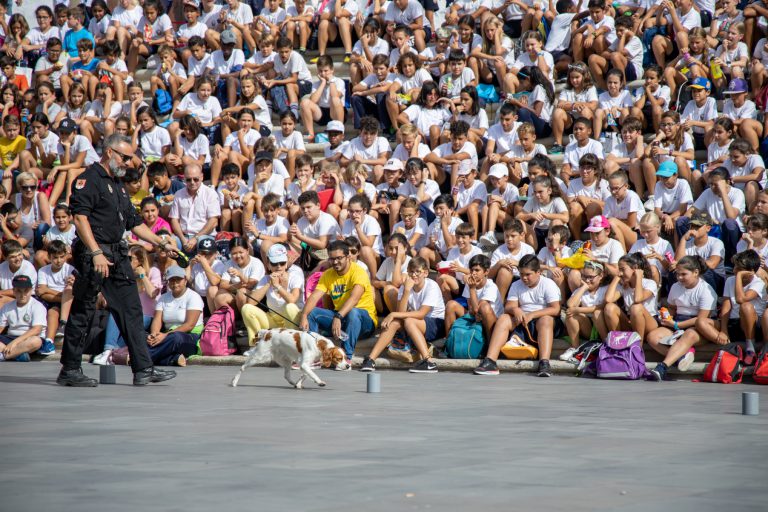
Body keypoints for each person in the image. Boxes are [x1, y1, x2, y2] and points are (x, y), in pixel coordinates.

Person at [57, 134, 179, 387]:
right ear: (110, 152)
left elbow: (134, 223)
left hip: (117, 253)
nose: (128, 163)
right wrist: (95, 252)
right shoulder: (88, 179)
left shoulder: (117, 183)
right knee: (84, 310)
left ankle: (143, 368)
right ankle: (70, 369)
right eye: (124, 157)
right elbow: (80, 219)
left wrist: (161, 242)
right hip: (95, 255)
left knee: (131, 309)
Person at [300, 240, 378, 363]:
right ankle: (314, 356)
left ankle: (346, 357)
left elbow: (354, 299)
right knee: (312, 312)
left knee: (353, 312)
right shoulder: (328, 274)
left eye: (339, 258)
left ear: (348, 257)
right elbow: (315, 296)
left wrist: (338, 316)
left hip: (364, 322)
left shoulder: (359, 272)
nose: (335, 262)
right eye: (331, 259)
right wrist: (304, 315)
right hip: (341, 317)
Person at [147, 266, 204, 367]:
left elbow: (189, 325)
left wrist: (165, 336)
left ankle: (142, 358)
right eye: (172, 280)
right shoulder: (164, 298)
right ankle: (172, 359)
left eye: (178, 280)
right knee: (144, 336)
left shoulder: (194, 297)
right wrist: (154, 335)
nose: (175, 283)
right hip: (167, 335)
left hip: (190, 337)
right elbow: (157, 320)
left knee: (175, 338)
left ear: (185, 280)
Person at [0, 275, 46, 362]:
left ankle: (4, 356)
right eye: (19, 291)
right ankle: (18, 354)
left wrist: (14, 343)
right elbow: (1, 327)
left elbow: (36, 330)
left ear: (31, 291)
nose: (23, 295)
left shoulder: (37, 306)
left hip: (28, 338)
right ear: (13, 291)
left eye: (26, 291)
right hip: (10, 337)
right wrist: (12, 343)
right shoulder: (7, 307)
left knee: (36, 341)